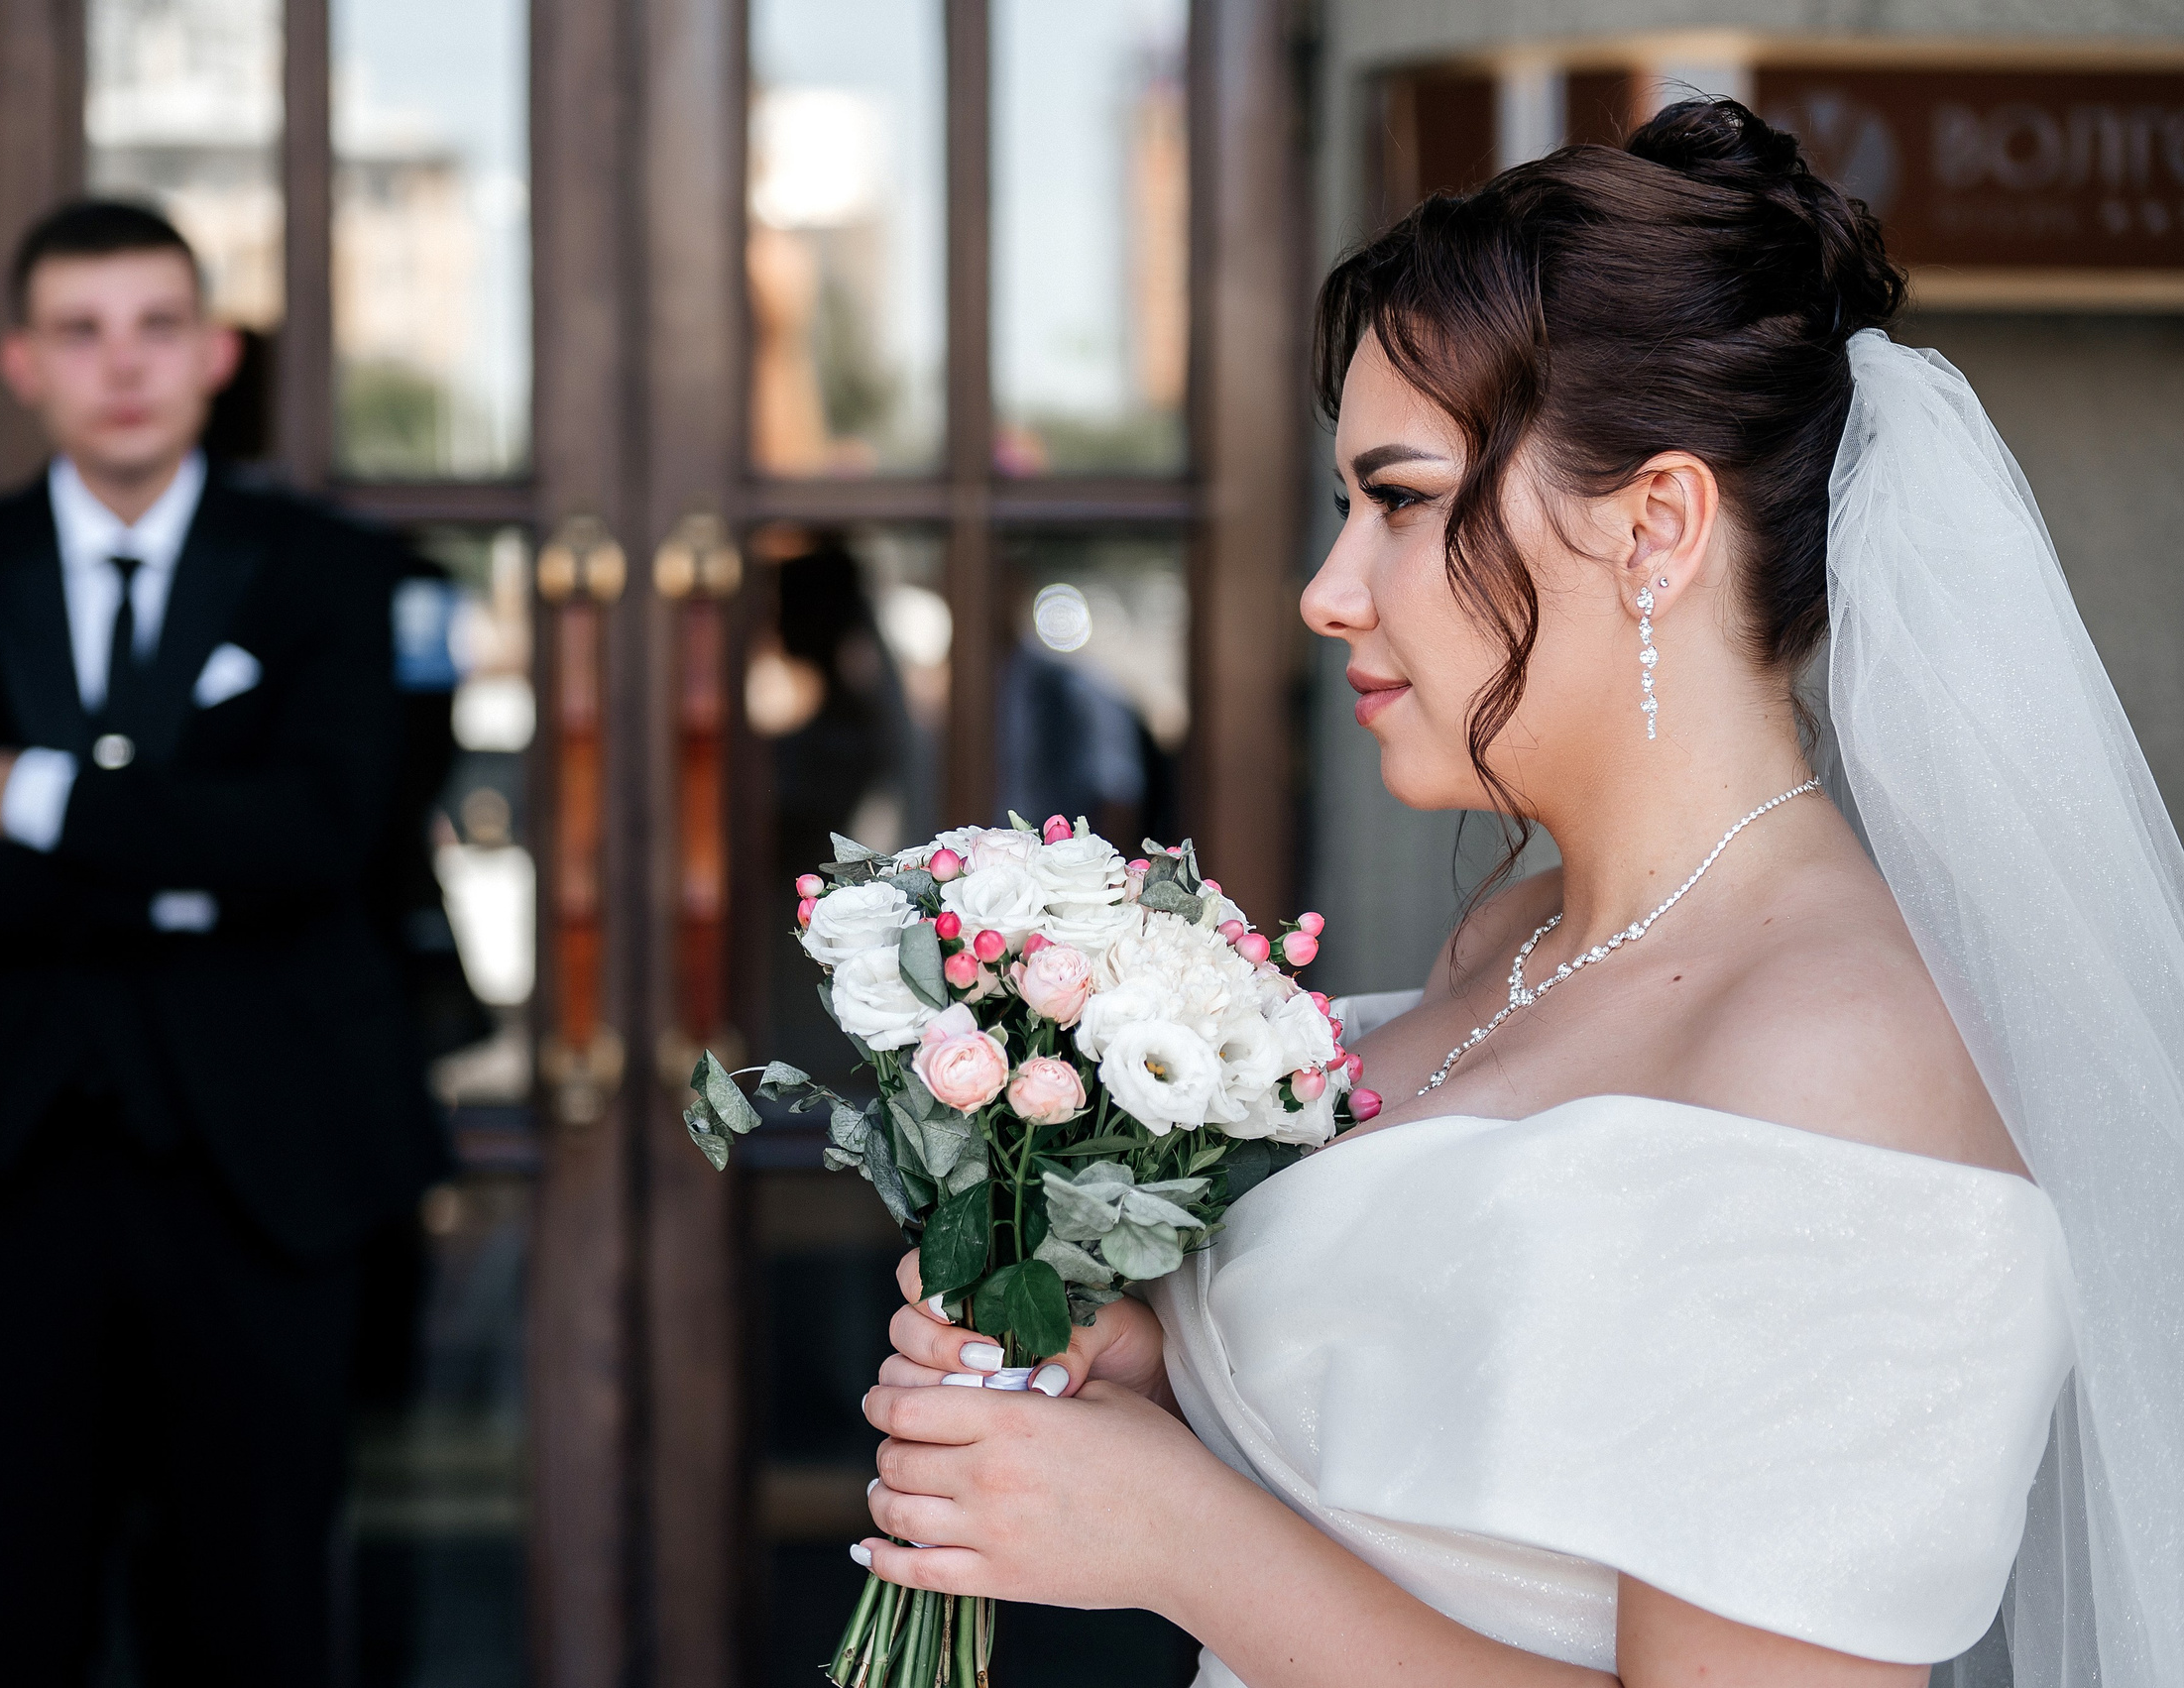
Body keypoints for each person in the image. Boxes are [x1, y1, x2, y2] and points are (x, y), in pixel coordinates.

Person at [851, 101, 2182, 1687]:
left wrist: (1179, 1535)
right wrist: (1136, 1377)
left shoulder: (1842, 1052)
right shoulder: (1519, 934)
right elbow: (1449, 1476)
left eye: (1400, 500)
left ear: (1655, 527)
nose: (1329, 592)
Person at [0, 200, 444, 1687]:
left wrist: (37, 797)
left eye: (157, 327)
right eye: (81, 331)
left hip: (272, 1166)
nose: (124, 366)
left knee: (258, 1614)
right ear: (21, 362)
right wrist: (187, 864)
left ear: (216, 356)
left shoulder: (334, 575)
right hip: (2, 1160)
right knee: (16, 1609)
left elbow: (319, 840)